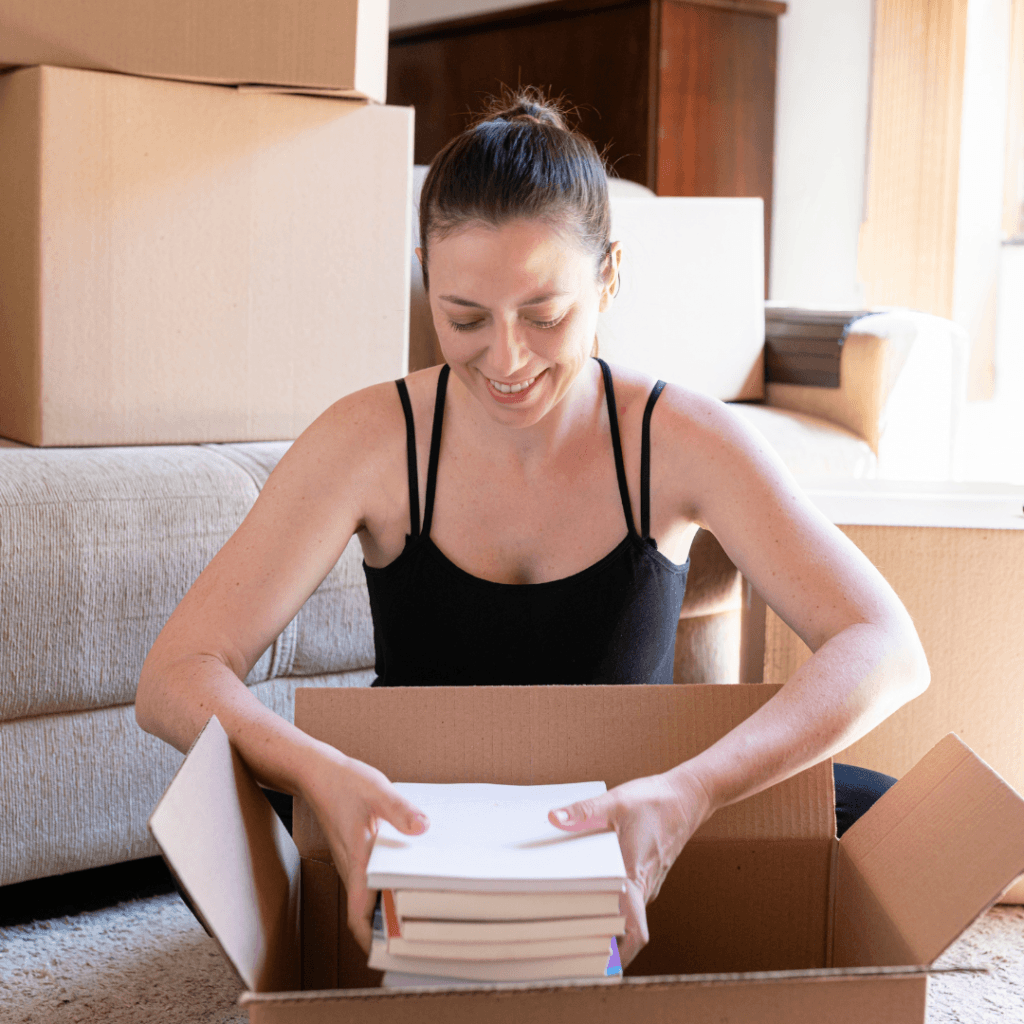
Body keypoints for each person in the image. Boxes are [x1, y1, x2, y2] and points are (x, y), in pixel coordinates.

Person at [135, 90, 928, 970]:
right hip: (417, 817)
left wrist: (692, 790)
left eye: (544, 316)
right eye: (464, 317)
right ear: (426, 279)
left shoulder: (679, 435)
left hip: (630, 805)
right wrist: (320, 772)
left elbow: (886, 644)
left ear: (610, 277)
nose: (505, 361)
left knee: (902, 823)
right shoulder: (369, 438)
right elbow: (175, 675)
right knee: (210, 822)